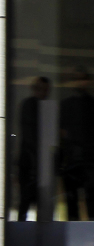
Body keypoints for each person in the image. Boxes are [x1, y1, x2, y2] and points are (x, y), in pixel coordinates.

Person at [59, 67, 94, 220]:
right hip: (71, 160)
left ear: (88, 81)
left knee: (92, 201)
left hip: (90, 161)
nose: (80, 82)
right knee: (71, 202)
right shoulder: (64, 105)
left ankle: (93, 233)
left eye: (82, 79)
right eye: (77, 79)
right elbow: (59, 134)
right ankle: (73, 235)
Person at [16, 76, 50, 220]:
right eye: (39, 89)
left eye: (44, 90)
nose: (41, 92)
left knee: (32, 204)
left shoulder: (41, 106)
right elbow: (30, 136)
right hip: (31, 163)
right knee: (28, 202)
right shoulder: (31, 105)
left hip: (34, 163)